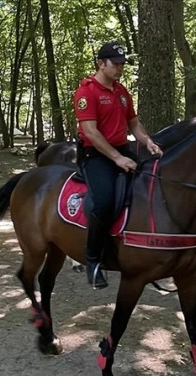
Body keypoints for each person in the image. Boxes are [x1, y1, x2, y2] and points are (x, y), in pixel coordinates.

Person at [74, 41, 162, 289]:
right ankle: (92, 261)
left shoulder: (122, 92)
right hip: (96, 156)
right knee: (103, 201)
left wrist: (147, 142)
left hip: (122, 150)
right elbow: (90, 132)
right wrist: (117, 158)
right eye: (116, 63)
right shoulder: (86, 93)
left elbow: (134, 124)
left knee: (151, 187)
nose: (120, 68)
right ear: (101, 64)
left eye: (123, 63)